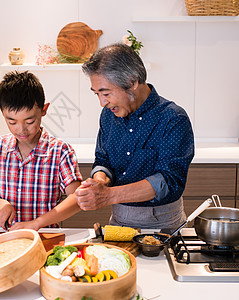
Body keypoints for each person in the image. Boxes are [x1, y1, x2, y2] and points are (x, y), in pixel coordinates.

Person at [74, 43, 195, 230]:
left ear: (132, 82)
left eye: (106, 93)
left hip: (164, 223)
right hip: (119, 219)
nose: (101, 102)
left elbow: (168, 181)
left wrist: (108, 195)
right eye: (97, 94)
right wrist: (99, 181)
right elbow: (103, 159)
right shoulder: (109, 115)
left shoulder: (173, 118)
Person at [0, 71, 83, 230]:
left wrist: (36, 224)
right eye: (12, 121)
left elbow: (77, 199)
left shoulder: (60, 151)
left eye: (29, 121)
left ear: (44, 110)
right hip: (8, 237)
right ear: (1, 111)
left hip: (44, 237)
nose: (21, 129)